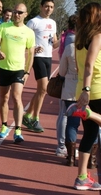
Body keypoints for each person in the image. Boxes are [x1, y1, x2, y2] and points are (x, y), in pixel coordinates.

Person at [63, 2, 101, 191]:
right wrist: (87, 89)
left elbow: (80, 67)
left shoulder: (78, 39)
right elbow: (88, 65)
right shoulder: (97, 36)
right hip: (95, 89)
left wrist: (83, 89)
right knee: (92, 130)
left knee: (90, 135)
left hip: (83, 88)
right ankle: (88, 113)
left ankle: (82, 177)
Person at [0, 3, 35, 143]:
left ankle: (18, 129)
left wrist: (27, 71)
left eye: (20, 12)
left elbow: (31, 53)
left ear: (25, 14)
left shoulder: (29, 32)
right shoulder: (4, 27)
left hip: (18, 69)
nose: (17, 15)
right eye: (15, 12)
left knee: (16, 97)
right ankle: (4, 126)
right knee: (4, 97)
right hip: (4, 68)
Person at [23, 0, 59, 132]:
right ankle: (35, 118)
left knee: (41, 90)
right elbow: (24, 39)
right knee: (43, 89)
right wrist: (32, 48)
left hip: (48, 57)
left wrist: (62, 39)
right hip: (37, 57)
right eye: (46, 6)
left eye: (51, 7)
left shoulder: (53, 23)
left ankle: (27, 115)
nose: (48, 9)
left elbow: (54, 43)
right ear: (41, 6)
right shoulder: (33, 22)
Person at [55, 15, 80, 164]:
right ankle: (91, 156)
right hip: (91, 88)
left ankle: (67, 152)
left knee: (69, 119)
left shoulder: (68, 43)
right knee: (92, 122)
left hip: (70, 86)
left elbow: (62, 71)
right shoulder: (93, 46)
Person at [0, 8, 13, 91]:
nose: (8, 17)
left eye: (10, 16)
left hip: (6, 48)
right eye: (7, 15)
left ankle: (6, 84)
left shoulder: (11, 24)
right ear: (3, 15)